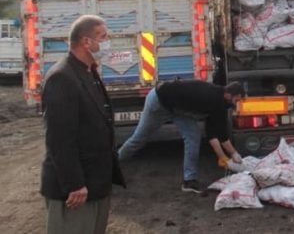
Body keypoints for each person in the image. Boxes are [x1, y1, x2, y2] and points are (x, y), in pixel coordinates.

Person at [40, 15, 126, 234]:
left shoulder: (89, 71)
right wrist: (74, 184)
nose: (108, 42)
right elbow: (60, 139)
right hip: (76, 191)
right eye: (103, 37)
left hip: (96, 183)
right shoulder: (62, 78)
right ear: (86, 42)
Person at [118, 80, 246, 193]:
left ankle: (189, 181)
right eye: (237, 100)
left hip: (177, 109)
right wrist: (225, 157)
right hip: (160, 101)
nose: (236, 104)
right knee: (139, 139)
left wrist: (232, 155)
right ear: (229, 95)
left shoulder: (220, 103)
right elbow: (216, 135)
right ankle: (112, 165)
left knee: (193, 135)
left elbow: (217, 133)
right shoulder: (210, 98)